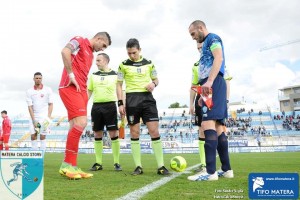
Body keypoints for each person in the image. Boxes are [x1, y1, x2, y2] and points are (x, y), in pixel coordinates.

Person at [58, 32, 111, 180]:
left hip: (80, 90)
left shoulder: (91, 54)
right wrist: (71, 75)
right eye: (104, 45)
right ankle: (67, 165)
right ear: (99, 39)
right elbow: (65, 51)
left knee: (74, 126)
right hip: (70, 86)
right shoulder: (79, 41)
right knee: (81, 123)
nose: (103, 49)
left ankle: (71, 165)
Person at [188, 20, 233, 181]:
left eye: (193, 34)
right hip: (210, 86)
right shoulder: (206, 44)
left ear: (200, 28)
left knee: (207, 124)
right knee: (219, 127)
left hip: (213, 84)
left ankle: (210, 172)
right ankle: (227, 170)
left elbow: (219, 58)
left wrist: (209, 82)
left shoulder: (212, 38)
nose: (193, 38)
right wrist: (202, 94)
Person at [117, 38, 169, 175]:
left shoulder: (149, 63)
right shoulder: (123, 65)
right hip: (132, 99)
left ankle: (161, 166)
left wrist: (154, 84)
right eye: (129, 53)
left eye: (134, 52)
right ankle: (138, 166)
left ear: (139, 50)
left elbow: (156, 79)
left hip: (147, 98)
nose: (131, 56)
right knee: (134, 133)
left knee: (154, 131)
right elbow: (119, 84)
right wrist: (120, 103)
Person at [88, 53, 122, 172]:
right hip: (96, 106)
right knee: (97, 134)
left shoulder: (115, 75)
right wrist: (83, 105)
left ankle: (117, 163)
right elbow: (89, 91)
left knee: (113, 134)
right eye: (96, 61)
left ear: (106, 61)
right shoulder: (93, 75)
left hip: (110, 106)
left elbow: (119, 90)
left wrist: (121, 104)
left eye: (99, 60)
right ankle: (98, 163)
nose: (96, 63)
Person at [26, 72, 53, 151]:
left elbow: (51, 104)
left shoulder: (48, 90)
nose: (38, 80)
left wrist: (48, 118)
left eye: (40, 78)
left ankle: (41, 159)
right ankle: (35, 159)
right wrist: (34, 120)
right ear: (34, 79)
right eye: (36, 78)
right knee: (33, 136)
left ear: (42, 79)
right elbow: (30, 107)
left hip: (44, 117)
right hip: (34, 117)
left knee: (42, 136)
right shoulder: (29, 91)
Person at [189, 42, 206, 172]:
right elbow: (194, 86)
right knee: (201, 130)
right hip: (200, 99)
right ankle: (204, 164)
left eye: (202, 47)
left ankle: (224, 165)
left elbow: (225, 80)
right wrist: (191, 103)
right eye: (198, 48)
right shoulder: (196, 66)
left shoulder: (217, 61)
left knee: (218, 129)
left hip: (214, 98)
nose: (200, 50)